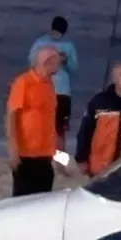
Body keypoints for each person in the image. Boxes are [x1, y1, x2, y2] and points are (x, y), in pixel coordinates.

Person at [6, 46, 63, 197]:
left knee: (43, 198)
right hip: (26, 153)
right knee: (23, 199)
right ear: (47, 62)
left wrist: (58, 149)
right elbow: (11, 115)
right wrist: (13, 148)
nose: (59, 65)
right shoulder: (23, 82)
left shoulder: (49, 84)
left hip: (45, 153)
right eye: (57, 62)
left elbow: (49, 117)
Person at [75, 61, 121, 176]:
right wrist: (81, 158)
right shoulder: (99, 102)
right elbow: (85, 131)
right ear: (114, 78)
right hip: (100, 165)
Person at [28, 16, 78, 150]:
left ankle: (59, 160)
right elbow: (32, 64)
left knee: (59, 129)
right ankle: (44, 156)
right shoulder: (41, 43)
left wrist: (65, 60)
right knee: (43, 127)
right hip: (44, 89)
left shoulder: (67, 45)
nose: (57, 36)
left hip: (62, 92)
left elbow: (74, 68)